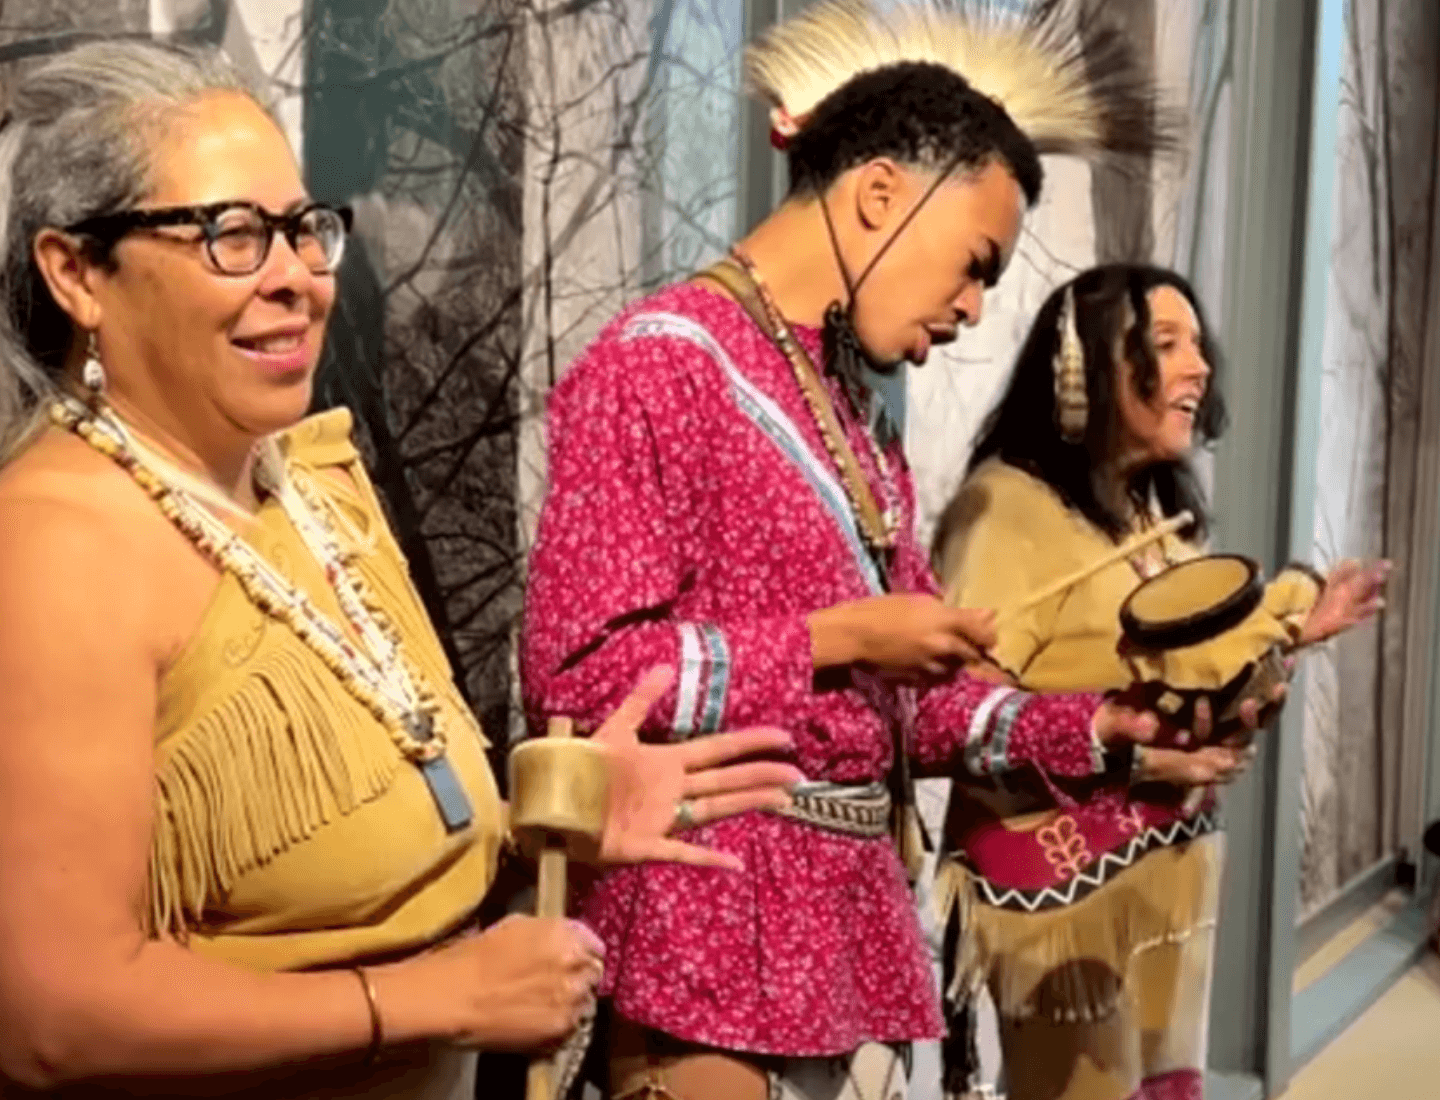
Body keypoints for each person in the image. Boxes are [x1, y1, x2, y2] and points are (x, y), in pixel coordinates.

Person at [0, 39, 803, 1100]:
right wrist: (439, 1000)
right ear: (77, 275)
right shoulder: (47, 557)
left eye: (303, 230)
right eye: (231, 236)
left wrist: (541, 834)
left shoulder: (306, 486)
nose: (296, 276)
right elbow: (52, 1018)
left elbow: (338, 869)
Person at [518, 3, 1251, 1098]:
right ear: (878, 196)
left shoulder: (860, 426)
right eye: (974, 264)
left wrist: (1104, 728)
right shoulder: (660, 365)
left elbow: (917, 712)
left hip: (847, 941)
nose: (972, 308)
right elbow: (576, 680)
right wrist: (837, 636)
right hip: (702, 933)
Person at [929, 263, 1390, 1100]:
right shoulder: (1003, 509)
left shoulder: (1147, 510)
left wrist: (1289, 638)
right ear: (1084, 370)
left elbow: (1183, 673)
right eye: (1167, 343)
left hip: (1162, 880)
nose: (1200, 365)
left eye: (1197, 344)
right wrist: (1132, 754)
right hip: (1066, 899)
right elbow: (957, 714)